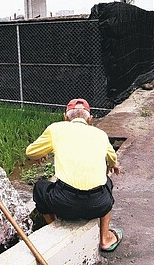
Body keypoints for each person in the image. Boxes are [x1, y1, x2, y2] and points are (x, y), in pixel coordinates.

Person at [25, 98, 123, 252]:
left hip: (64, 204)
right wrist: (112, 164)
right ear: (90, 119)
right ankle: (105, 238)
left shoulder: (56, 129)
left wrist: (41, 153)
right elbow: (113, 160)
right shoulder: (100, 135)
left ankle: (54, 229)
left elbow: (30, 152)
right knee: (107, 183)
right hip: (98, 205)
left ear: (66, 118)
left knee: (40, 187)